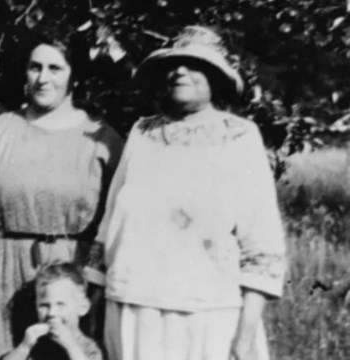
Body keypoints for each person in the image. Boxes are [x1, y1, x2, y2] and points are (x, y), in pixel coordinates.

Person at [90, 26, 286, 360]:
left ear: (216, 78)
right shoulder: (142, 132)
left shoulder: (240, 136)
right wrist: (93, 307)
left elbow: (262, 239)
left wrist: (245, 334)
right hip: (132, 306)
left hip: (209, 313)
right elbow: (111, 224)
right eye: (174, 64)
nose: (179, 71)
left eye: (194, 64)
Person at [0, 24, 124, 360]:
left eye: (55, 68)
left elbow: (117, 217)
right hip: (0, 271)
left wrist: (88, 281)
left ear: (73, 75)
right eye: (35, 67)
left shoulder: (100, 138)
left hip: (69, 275)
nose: (43, 78)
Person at [2, 262, 103, 360]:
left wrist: (71, 346)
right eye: (44, 305)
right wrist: (25, 346)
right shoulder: (37, 345)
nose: (51, 313)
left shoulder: (88, 348)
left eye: (60, 304)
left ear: (83, 307)